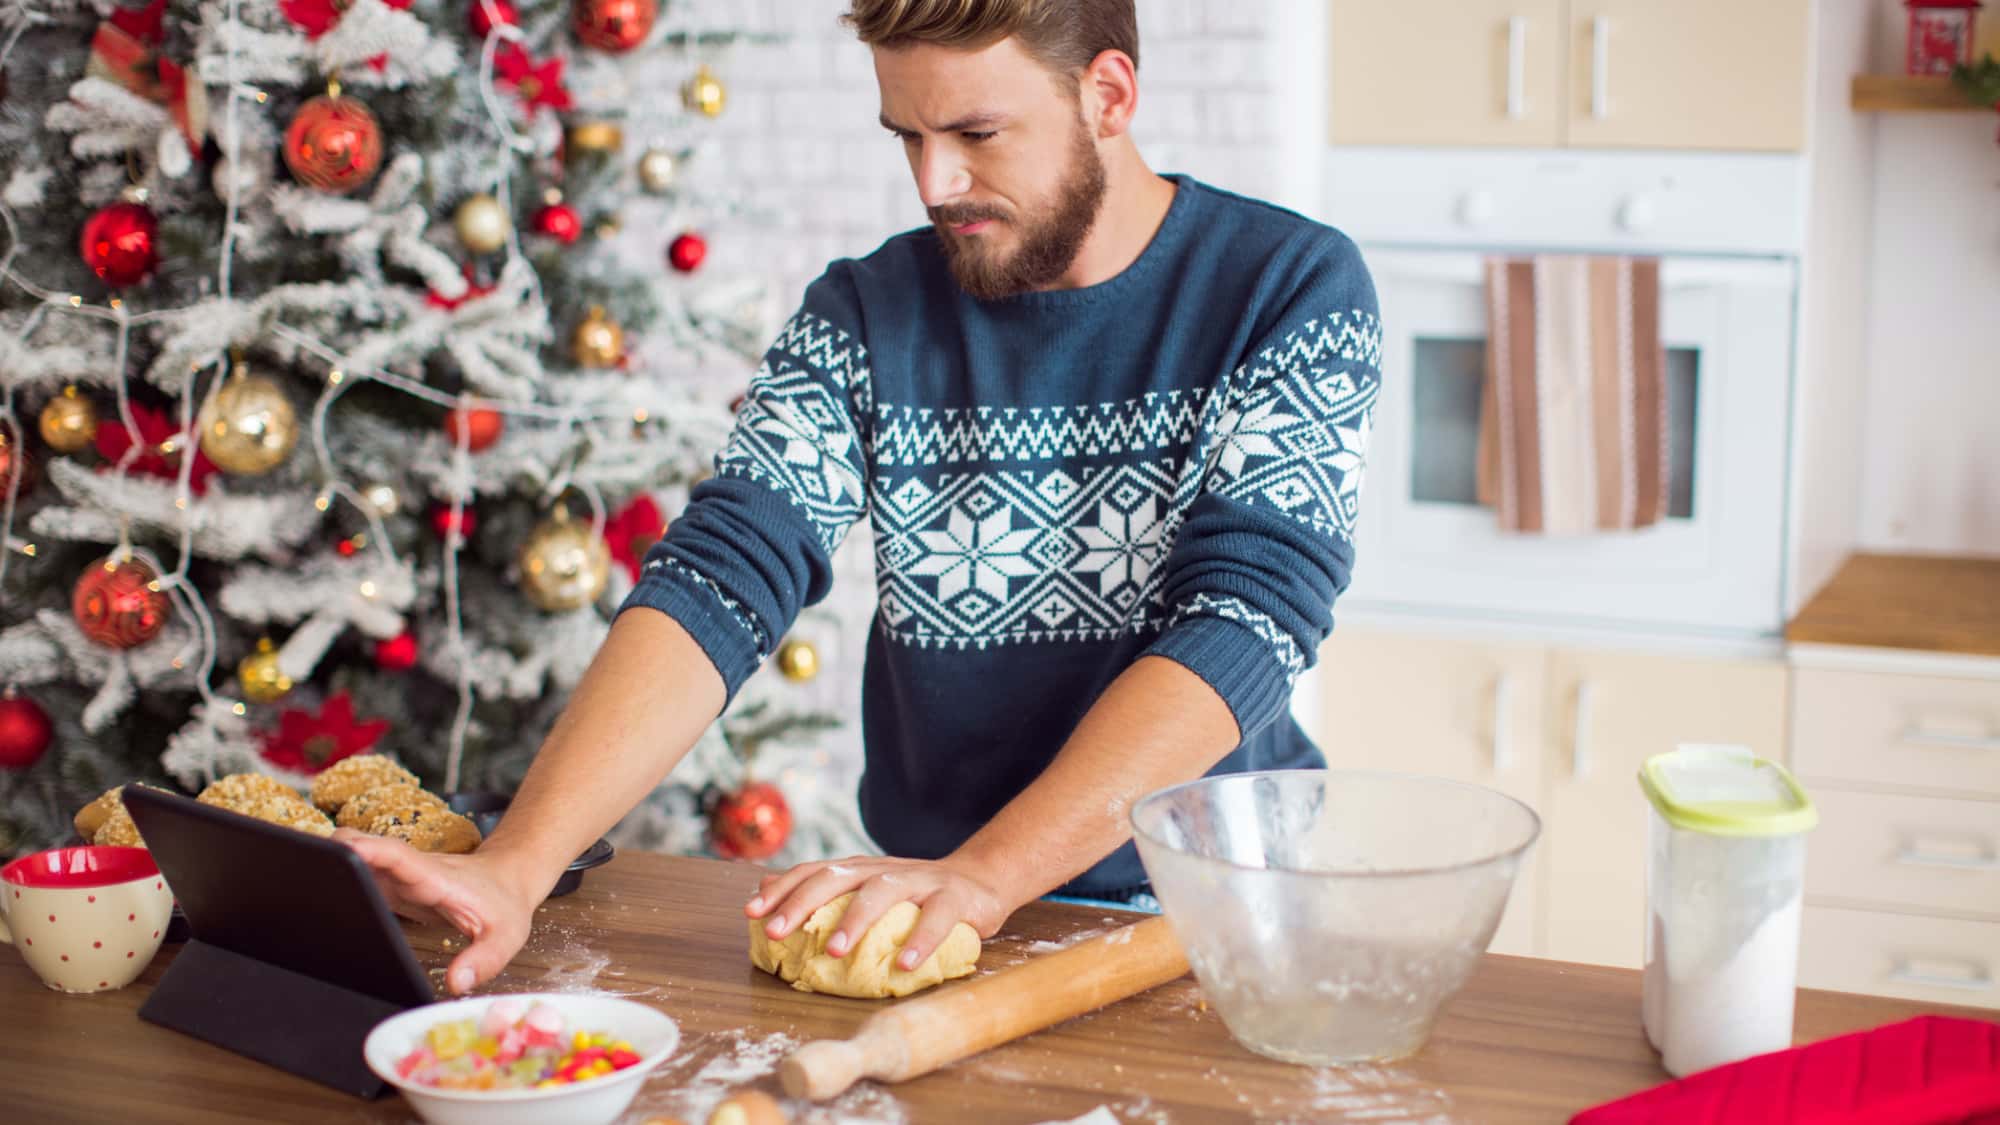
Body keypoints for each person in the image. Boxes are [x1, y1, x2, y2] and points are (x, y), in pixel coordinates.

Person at [338, 0, 1381, 996]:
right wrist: (518, 864)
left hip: (1214, 913)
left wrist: (988, 874)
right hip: (940, 906)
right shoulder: (864, 312)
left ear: (1107, 95)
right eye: (907, 137)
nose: (936, 183)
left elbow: (1246, 619)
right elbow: (723, 572)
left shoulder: (1288, 287)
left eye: (976, 133)